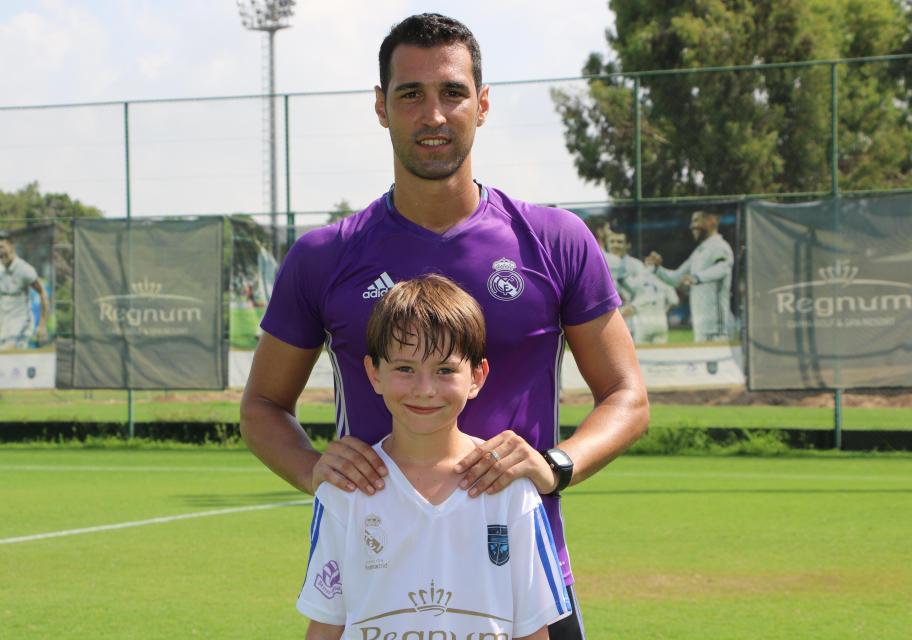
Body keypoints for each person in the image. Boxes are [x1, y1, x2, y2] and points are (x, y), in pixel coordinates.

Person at [241, 14, 649, 639]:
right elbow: (264, 405)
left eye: (452, 92)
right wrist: (313, 470)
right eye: (411, 95)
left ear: (481, 105)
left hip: (523, 586)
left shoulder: (553, 240)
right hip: (375, 586)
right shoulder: (326, 255)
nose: (433, 115)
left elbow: (627, 396)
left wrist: (555, 465)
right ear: (382, 107)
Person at [299, 274, 570, 640]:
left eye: (444, 370)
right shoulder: (345, 489)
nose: (424, 390)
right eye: (405, 369)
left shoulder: (510, 488)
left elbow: (533, 630)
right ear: (373, 373)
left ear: (476, 376)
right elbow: (326, 624)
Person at [645, 211, 734, 342]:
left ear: (712, 221)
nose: (692, 226)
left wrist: (697, 277)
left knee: (717, 361)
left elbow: (723, 268)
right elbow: (675, 278)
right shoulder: (698, 252)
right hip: (701, 324)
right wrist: (658, 268)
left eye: (697, 220)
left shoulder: (720, 246)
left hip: (717, 326)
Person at [0, 231, 49, 350]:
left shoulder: (25, 270)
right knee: (5, 358)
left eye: (1, 247)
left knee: (10, 351)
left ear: (12, 246)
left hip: (23, 320)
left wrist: (42, 325)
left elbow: (42, 292)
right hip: (6, 321)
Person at [608, 232, 678, 344]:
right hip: (610, 318)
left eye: (620, 242)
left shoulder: (636, 265)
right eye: (612, 241)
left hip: (633, 318)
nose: (615, 245)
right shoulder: (602, 262)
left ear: (627, 245)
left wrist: (635, 307)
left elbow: (646, 292)